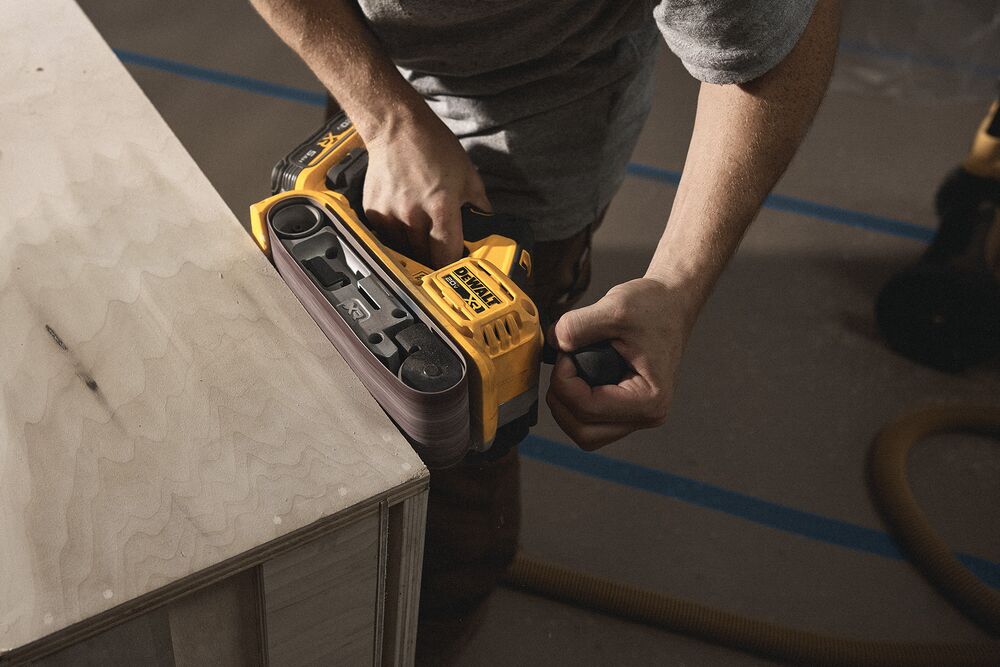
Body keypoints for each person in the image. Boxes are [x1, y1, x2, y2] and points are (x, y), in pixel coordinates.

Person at [251, 0, 841, 662]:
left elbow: (782, 36)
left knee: (456, 456)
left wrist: (675, 286)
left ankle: (428, 626)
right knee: (355, 391)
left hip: (524, 163)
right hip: (366, 91)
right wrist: (384, 115)